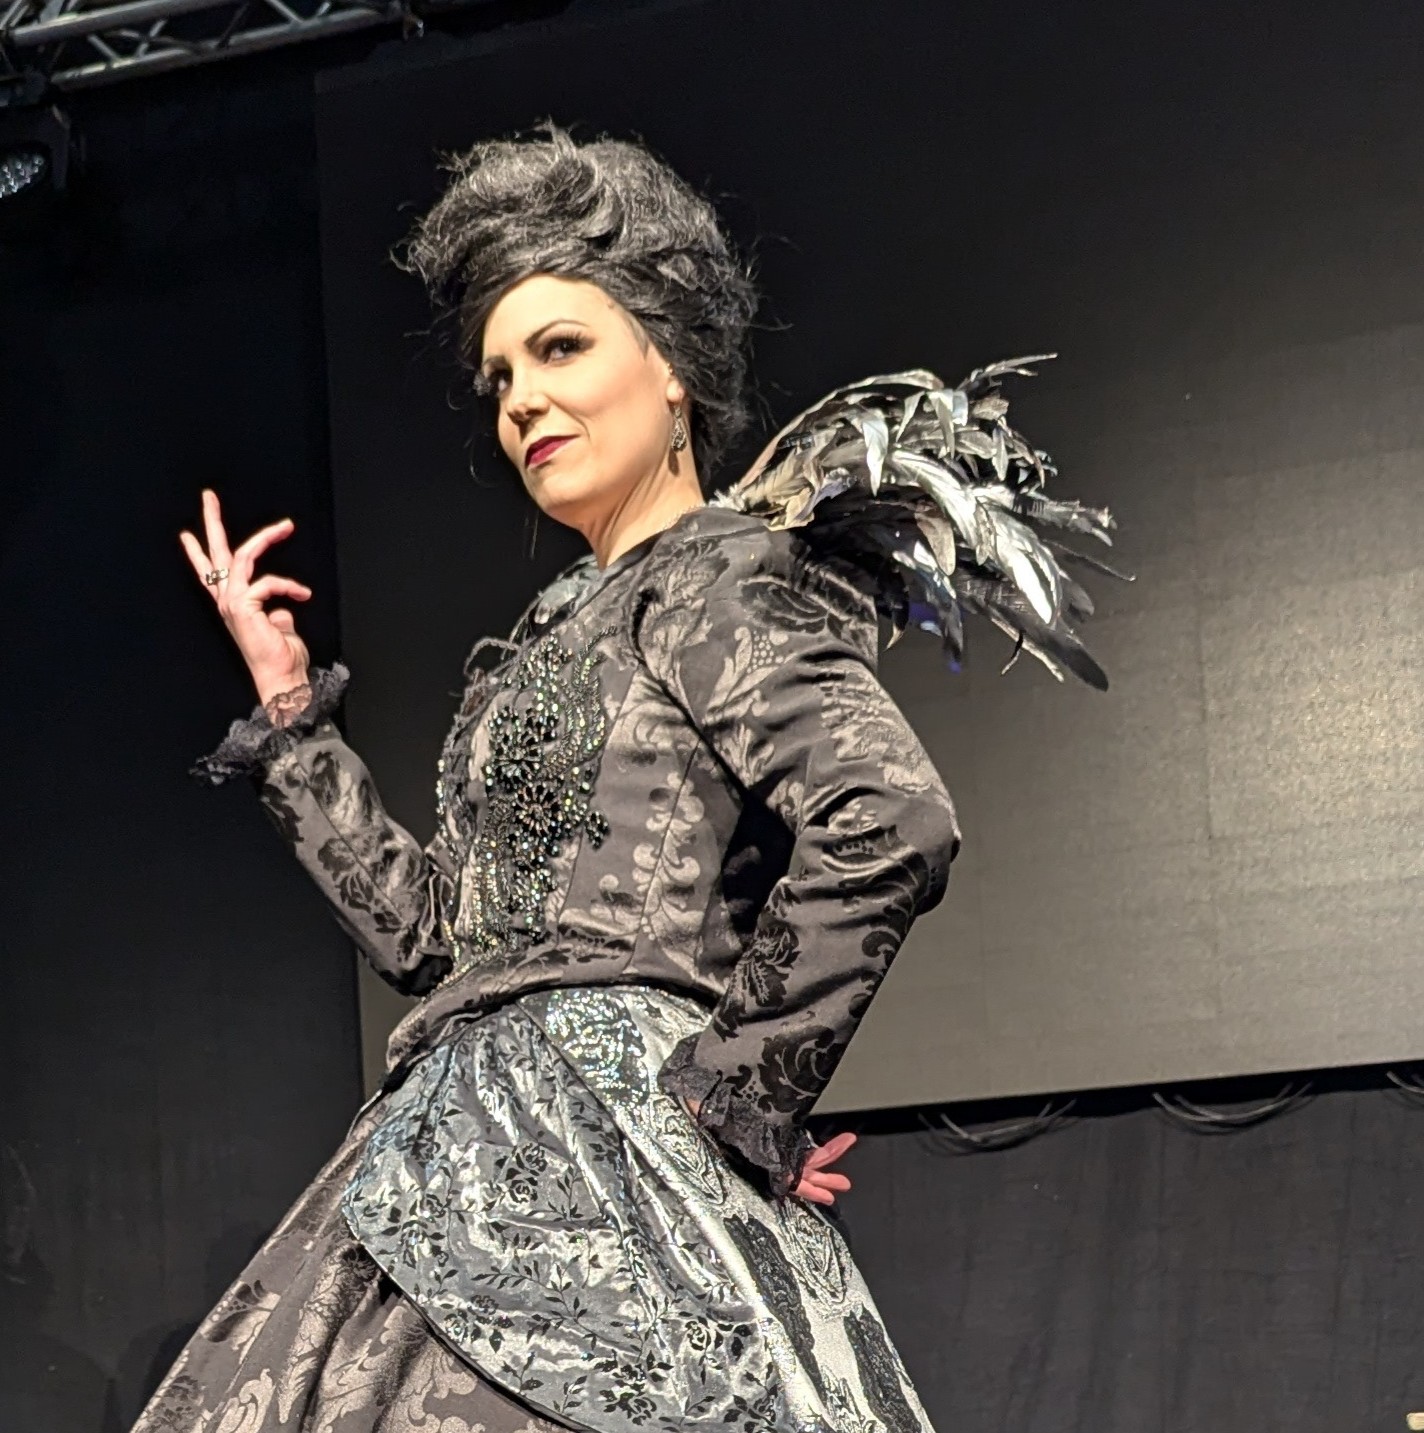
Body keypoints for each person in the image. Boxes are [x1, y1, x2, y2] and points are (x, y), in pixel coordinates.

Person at [137, 126, 1114, 1433]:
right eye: (499, 376)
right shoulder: (547, 634)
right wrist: (289, 715)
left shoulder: (713, 580)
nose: (519, 402)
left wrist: (740, 1090)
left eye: (559, 349)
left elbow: (887, 818)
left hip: (612, 1160)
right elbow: (436, 943)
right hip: (445, 1147)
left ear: (672, 366)